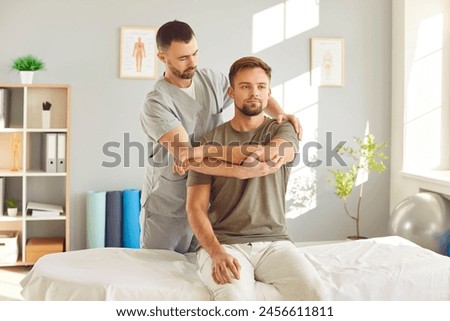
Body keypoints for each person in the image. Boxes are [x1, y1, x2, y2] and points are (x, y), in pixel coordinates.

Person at [140, 20, 301, 254]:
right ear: (162, 57)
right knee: (162, 274)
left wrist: (280, 114)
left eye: (195, 53)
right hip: (170, 206)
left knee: (199, 277)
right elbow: (189, 157)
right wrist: (243, 171)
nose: (192, 62)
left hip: (207, 201)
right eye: (183, 58)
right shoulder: (156, 103)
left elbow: (251, 91)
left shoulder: (211, 80)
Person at [185, 56, 325, 300]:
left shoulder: (282, 129)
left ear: (269, 92)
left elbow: (268, 155)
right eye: (245, 86)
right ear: (231, 92)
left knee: (316, 294)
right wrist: (216, 252)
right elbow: (195, 208)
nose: (254, 93)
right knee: (233, 301)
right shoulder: (209, 138)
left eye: (261, 87)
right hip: (226, 242)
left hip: (275, 243)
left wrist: (207, 153)